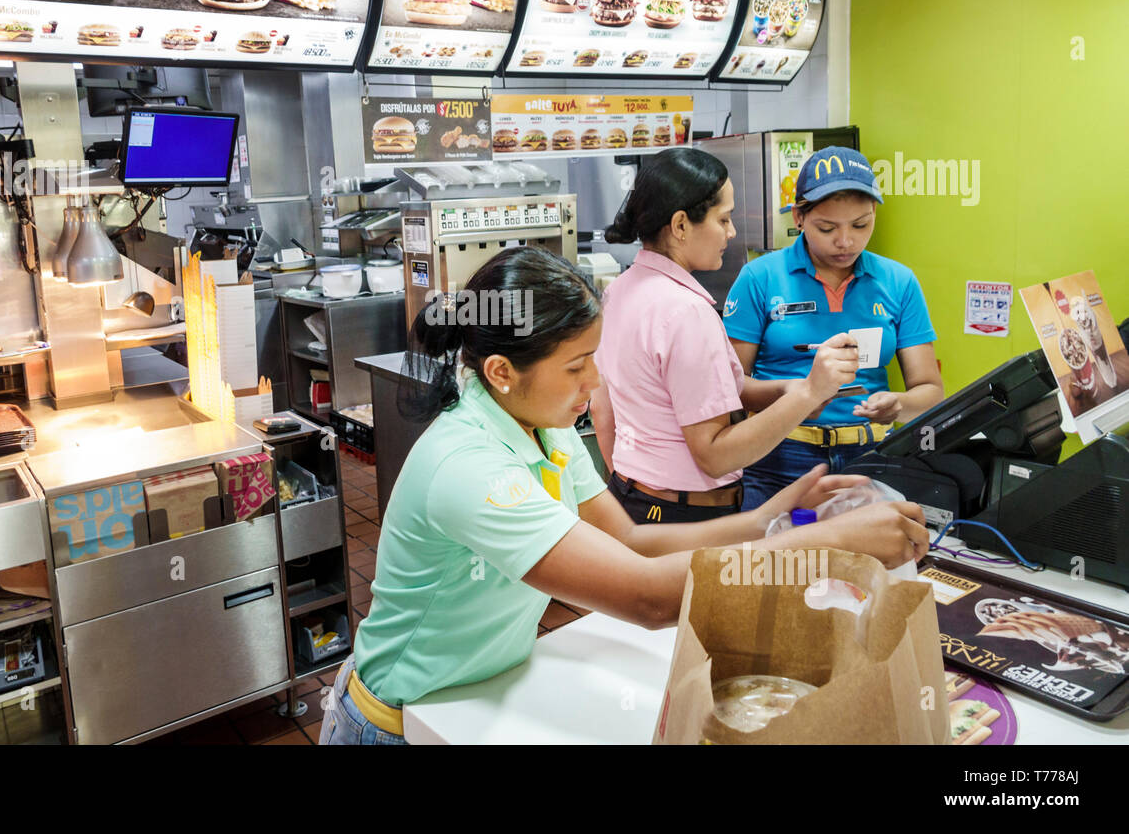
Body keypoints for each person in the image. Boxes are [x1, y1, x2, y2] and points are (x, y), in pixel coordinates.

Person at [319, 245, 929, 745]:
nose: (595, 382)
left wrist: (773, 518)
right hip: (402, 720)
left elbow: (632, 539)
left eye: (597, 359)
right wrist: (822, 544)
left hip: (477, 694)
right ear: (502, 371)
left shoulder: (542, 428)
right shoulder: (468, 466)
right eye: (577, 365)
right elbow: (645, 598)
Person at [591, 148, 861, 523]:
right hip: (685, 514)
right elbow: (716, 456)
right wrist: (811, 393)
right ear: (681, 225)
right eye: (724, 219)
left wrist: (787, 392)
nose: (731, 233)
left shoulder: (620, 291)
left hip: (634, 498)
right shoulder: (686, 313)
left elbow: (604, 410)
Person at [722, 147, 944, 512]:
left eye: (861, 225)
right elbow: (731, 386)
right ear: (799, 217)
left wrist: (897, 404)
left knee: (863, 566)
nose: (846, 241)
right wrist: (799, 394)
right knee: (773, 565)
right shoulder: (760, 277)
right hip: (779, 456)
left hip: (871, 458)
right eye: (827, 228)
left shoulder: (899, 282)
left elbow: (930, 392)